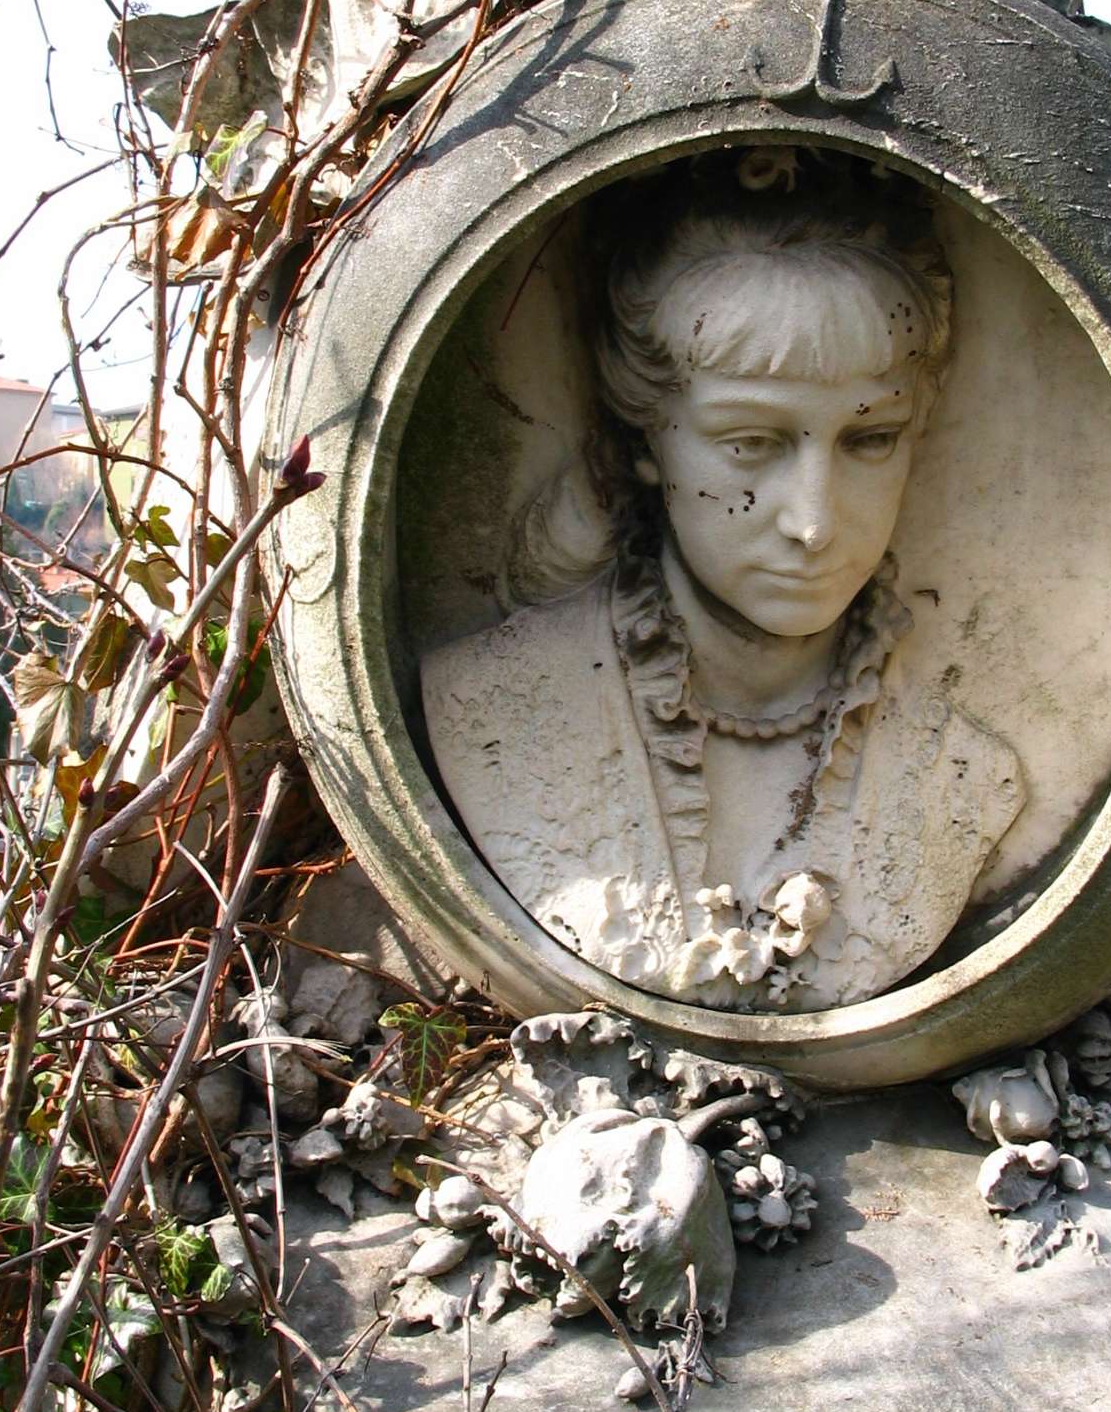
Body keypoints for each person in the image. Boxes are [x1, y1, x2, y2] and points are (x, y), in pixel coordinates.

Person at [421, 151, 1024, 1012]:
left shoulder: (965, 772)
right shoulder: (492, 706)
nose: (813, 522)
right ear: (644, 437)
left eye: (869, 440)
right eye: (750, 443)